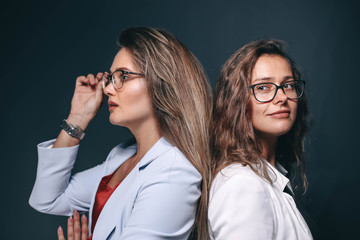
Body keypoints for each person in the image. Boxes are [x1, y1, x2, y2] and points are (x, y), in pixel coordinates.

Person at [29, 27, 212, 240]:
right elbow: (48, 199)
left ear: (161, 82)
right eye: (110, 77)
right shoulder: (121, 156)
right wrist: (77, 119)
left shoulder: (176, 174)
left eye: (122, 76)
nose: (107, 89)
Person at [208, 39, 313, 239]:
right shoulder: (243, 184)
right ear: (236, 100)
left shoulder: (266, 176)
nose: (281, 97)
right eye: (263, 87)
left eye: (288, 85)